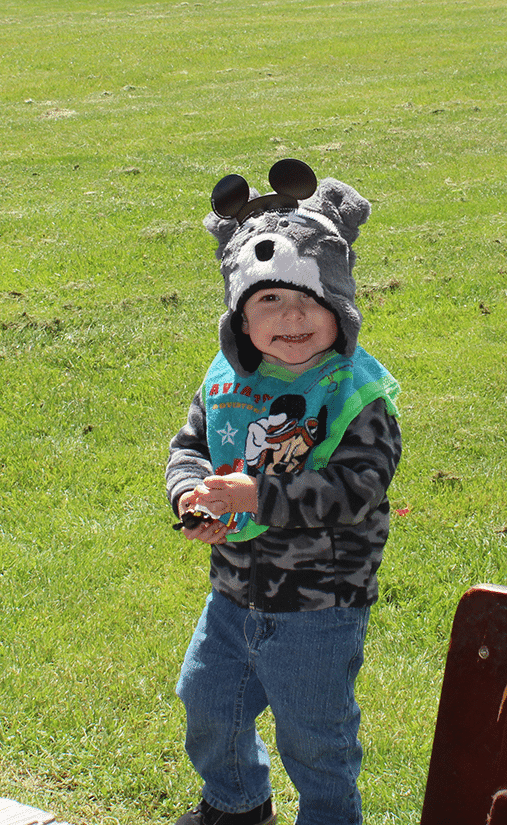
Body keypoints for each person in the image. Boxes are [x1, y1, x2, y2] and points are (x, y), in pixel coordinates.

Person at [165, 159, 402, 825]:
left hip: (319, 602)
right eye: (269, 300)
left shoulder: (355, 394)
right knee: (209, 702)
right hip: (234, 590)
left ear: (340, 308)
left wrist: (256, 498)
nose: (291, 317)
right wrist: (194, 498)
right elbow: (190, 448)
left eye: (310, 300)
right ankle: (237, 804)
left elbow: (357, 488)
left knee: (316, 737)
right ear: (241, 315)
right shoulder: (226, 381)